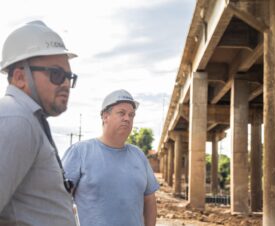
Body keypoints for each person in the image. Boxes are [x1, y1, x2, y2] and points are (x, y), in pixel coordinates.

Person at [0, 21, 79, 226]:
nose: (65, 84)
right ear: (20, 77)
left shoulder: (29, 119)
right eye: (56, 74)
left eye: (69, 77)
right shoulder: (16, 119)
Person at [62, 89, 160, 226]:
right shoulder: (79, 152)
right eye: (121, 113)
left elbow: (149, 200)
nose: (127, 118)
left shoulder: (138, 155)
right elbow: (58, 200)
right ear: (105, 116)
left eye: (131, 115)